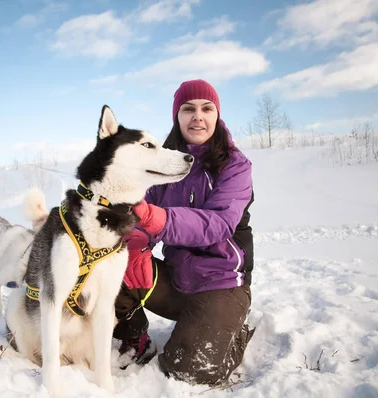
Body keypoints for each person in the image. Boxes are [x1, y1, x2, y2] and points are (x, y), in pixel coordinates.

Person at [113, 79, 255, 386]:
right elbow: (138, 216)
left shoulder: (235, 166)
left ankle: (232, 333)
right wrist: (136, 244)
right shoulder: (161, 165)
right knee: (113, 260)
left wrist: (157, 219)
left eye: (207, 108)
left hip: (222, 282)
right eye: (188, 109)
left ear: (217, 115)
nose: (198, 116)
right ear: (177, 116)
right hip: (177, 280)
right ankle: (134, 337)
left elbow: (218, 223)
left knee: (189, 371)